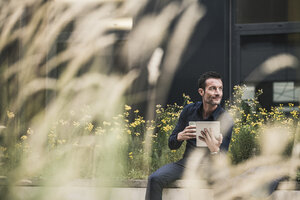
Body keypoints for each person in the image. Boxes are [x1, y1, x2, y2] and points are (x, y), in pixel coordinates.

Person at [145, 71, 233, 200]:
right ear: (201, 92)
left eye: (220, 88)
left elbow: (222, 158)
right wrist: (179, 136)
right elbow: (172, 144)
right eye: (213, 88)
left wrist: (214, 150)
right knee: (154, 178)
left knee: (224, 184)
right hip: (187, 164)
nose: (218, 93)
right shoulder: (189, 111)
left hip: (212, 168)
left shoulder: (226, 119)